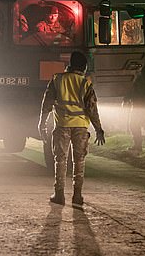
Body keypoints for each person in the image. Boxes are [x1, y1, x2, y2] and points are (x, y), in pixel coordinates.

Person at [38, 51, 105, 209]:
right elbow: (92, 109)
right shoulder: (85, 83)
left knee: (60, 159)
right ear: (83, 67)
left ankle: (59, 194)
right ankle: (77, 195)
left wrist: (42, 123)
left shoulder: (57, 79)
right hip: (81, 127)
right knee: (79, 160)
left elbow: (46, 104)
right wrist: (99, 129)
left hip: (62, 126)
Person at [123, 64, 145, 152]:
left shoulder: (136, 78)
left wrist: (126, 99)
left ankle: (138, 145)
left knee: (134, 125)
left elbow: (131, 90)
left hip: (137, 105)